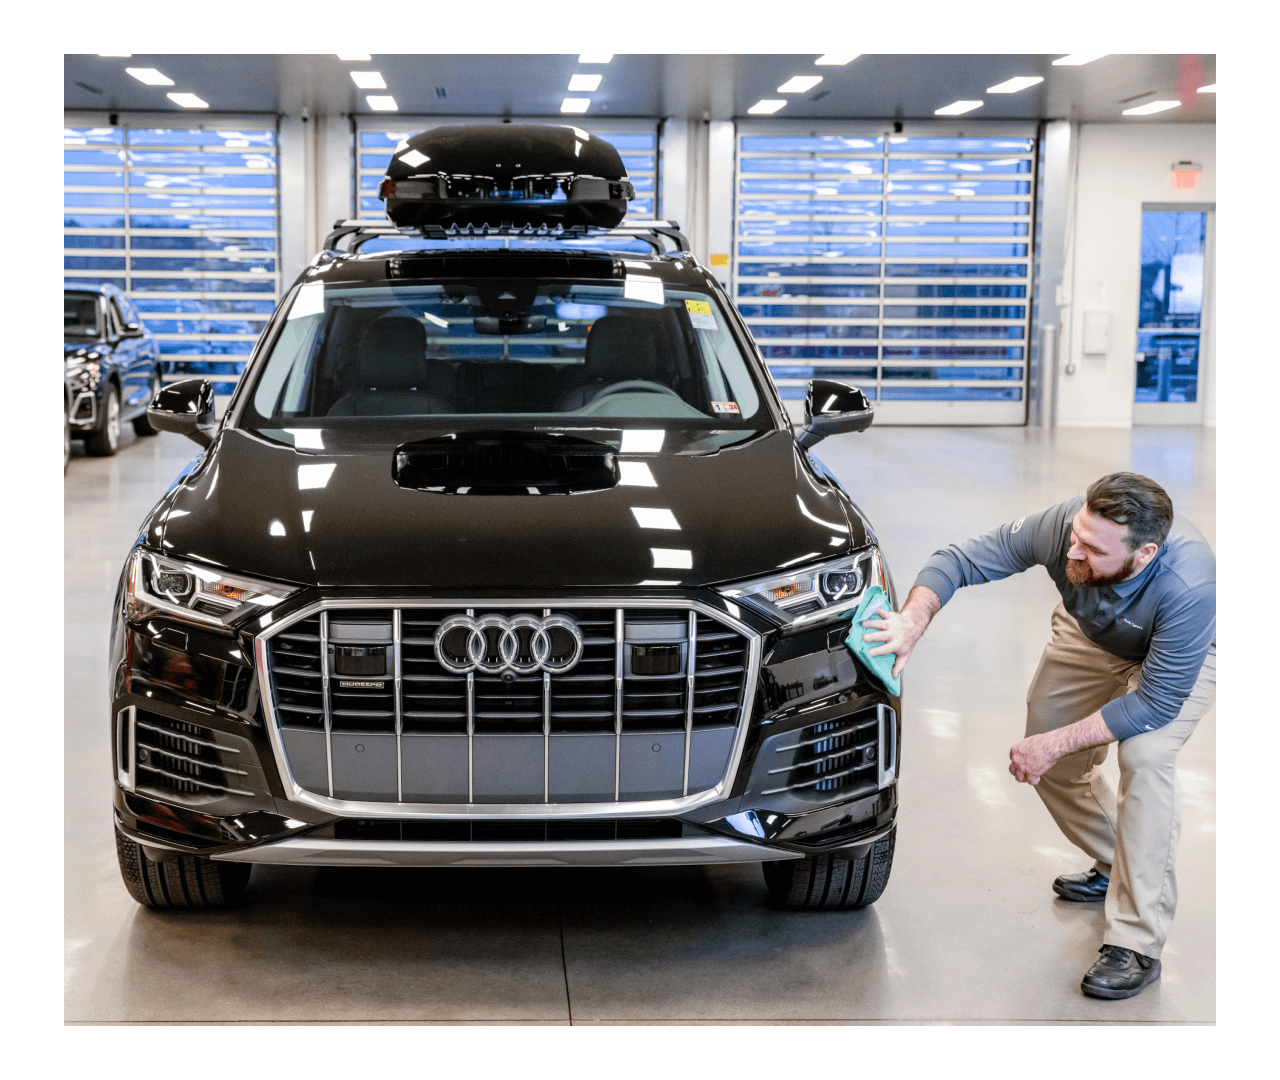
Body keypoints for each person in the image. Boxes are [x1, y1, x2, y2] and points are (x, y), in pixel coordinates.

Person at [862, 472, 1215, 1000]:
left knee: (1145, 756)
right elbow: (959, 559)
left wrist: (1052, 745)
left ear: (1143, 555)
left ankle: (1136, 942)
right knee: (1050, 745)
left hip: (1174, 658)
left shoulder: (1189, 587)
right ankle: (1119, 863)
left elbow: (1153, 704)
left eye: (1093, 548)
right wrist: (914, 618)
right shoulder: (1069, 526)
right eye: (1076, 532)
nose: (1073, 547)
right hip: (1092, 632)